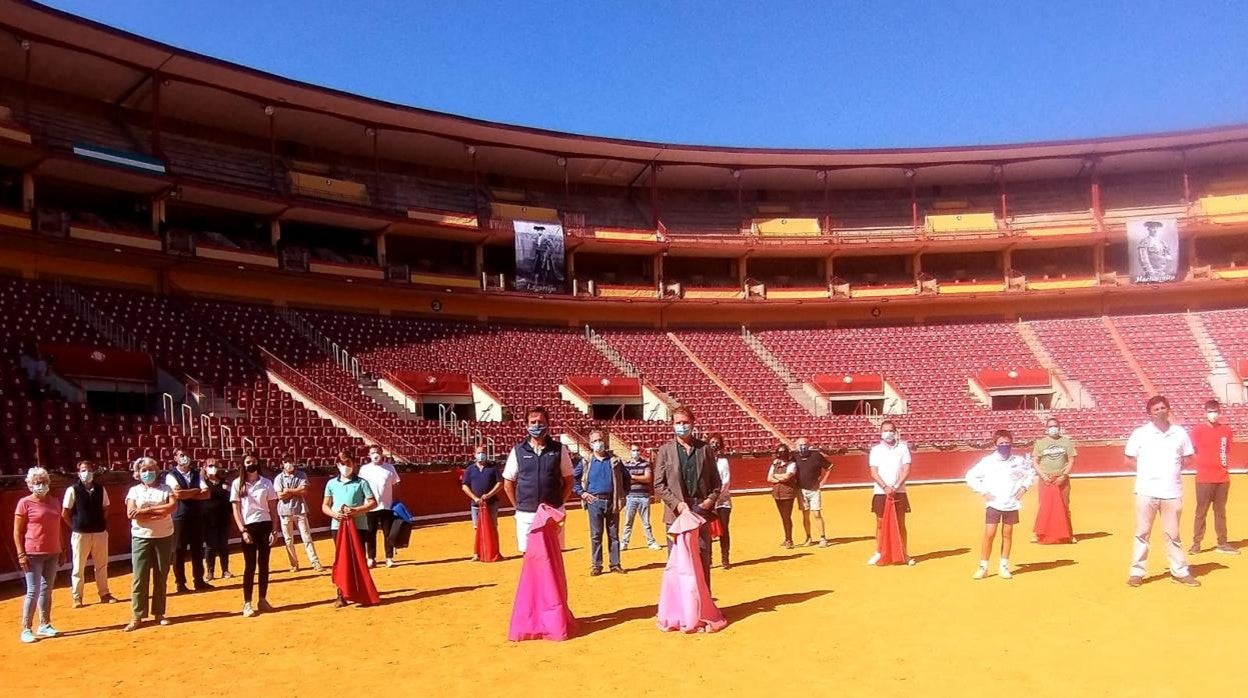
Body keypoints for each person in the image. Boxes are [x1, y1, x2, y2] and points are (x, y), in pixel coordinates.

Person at [1125, 396, 1200, 587]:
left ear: (1169, 409)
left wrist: (1171, 472)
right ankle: (1137, 572)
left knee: (1173, 534)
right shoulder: (1140, 433)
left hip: (1171, 491)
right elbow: (1129, 459)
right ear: (1149, 413)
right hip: (1146, 490)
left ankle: (1180, 571)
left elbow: (1188, 458)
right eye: (1156, 408)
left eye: (1163, 407)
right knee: (1142, 532)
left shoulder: (1179, 433)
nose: (1160, 411)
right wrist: (1147, 474)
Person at [653, 406, 722, 589]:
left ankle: (704, 604)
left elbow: (716, 482)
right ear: (672, 425)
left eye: (685, 422)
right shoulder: (665, 450)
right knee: (677, 561)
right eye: (678, 423)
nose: (682, 426)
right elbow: (659, 484)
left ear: (693, 423)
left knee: (702, 558)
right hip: (676, 513)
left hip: (700, 511)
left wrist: (709, 501)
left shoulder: (705, 449)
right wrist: (677, 504)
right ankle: (681, 608)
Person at [502, 406, 574, 554]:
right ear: (526, 425)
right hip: (526, 514)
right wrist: (519, 506)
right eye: (533, 422)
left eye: (540, 422)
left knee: (553, 555)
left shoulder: (559, 449)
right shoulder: (517, 451)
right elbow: (508, 483)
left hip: (552, 513)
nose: (537, 426)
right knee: (529, 556)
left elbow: (569, 480)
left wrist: (559, 504)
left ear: (547, 424)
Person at [966, 430, 1035, 580]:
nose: (1005, 446)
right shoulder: (988, 461)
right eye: (1001, 443)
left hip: (1011, 502)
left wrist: (1024, 488)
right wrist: (983, 491)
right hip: (994, 502)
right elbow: (970, 476)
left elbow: (1030, 473)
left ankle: (1004, 565)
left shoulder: (1018, 460)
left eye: (1007, 443)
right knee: (989, 534)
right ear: (995, 444)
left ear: (1011, 443)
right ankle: (983, 566)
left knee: (1007, 534)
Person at [124, 457, 177, 632]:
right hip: (141, 536)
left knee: (161, 575)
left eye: (150, 469)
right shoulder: (134, 491)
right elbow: (131, 513)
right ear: (138, 473)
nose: (147, 473)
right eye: (144, 470)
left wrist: (145, 511)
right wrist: (155, 512)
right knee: (139, 576)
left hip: (164, 535)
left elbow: (170, 508)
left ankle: (159, 613)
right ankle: (137, 615)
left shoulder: (165, 488)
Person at [14, 467, 63, 643]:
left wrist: (61, 548)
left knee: (47, 590)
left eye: (42, 482)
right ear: (29, 484)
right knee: (33, 591)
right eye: (36, 482)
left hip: (53, 551)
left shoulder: (54, 501)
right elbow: (17, 532)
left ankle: (45, 624)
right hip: (32, 552)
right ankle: (26, 628)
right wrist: (21, 554)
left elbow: (58, 527)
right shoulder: (24, 503)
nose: (40, 485)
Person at [323, 451, 378, 607]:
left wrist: (356, 511)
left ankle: (361, 592)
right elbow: (325, 506)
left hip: (358, 526)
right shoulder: (331, 483)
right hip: (338, 526)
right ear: (337, 465)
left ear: (353, 464)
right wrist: (334, 514)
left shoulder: (361, 483)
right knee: (341, 559)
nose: (345, 466)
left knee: (358, 559)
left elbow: (372, 503)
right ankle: (341, 594)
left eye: (348, 463)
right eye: (342, 463)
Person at [572, 429, 630, 576]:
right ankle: (597, 565)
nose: (598, 443)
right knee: (596, 535)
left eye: (600, 440)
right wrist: (582, 493)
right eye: (595, 441)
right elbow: (572, 479)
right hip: (594, 501)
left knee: (614, 534)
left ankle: (615, 564)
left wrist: (623, 496)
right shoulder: (586, 462)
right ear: (590, 444)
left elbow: (627, 478)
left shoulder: (615, 460)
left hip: (612, 501)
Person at [61, 459, 116, 607]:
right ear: (78, 473)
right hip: (81, 534)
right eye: (83, 470)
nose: (87, 473)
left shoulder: (100, 489)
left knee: (102, 565)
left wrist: (99, 523)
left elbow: (106, 508)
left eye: (89, 470)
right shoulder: (72, 490)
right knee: (78, 566)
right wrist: (75, 526)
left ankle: (104, 593)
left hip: (99, 532)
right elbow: (65, 512)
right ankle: (77, 597)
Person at [231, 454, 279, 617]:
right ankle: (247, 603)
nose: (251, 464)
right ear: (243, 465)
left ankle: (262, 599)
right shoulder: (237, 484)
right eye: (247, 462)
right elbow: (236, 510)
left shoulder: (266, 483)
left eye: (253, 462)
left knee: (264, 564)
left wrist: (274, 529)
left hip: (265, 525)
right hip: (249, 527)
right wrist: (242, 530)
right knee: (250, 566)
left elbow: (273, 508)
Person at [1189, 399, 1237, 555]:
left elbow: (1226, 450)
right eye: (1210, 411)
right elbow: (1193, 450)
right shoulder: (1197, 431)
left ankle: (1222, 542)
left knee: (1220, 511)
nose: (1213, 414)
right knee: (1201, 512)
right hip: (1204, 478)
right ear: (1205, 412)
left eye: (1215, 411)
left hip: (1222, 478)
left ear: (1220, 412)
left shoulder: (1227, 431)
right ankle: (1196, 544)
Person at [867, 421, 914, 565]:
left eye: (891, 430)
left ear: (895, 432)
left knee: (900, 523)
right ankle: (879, 552)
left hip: (899, 491)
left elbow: (906, 469)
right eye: (885, 430)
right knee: (880, 523)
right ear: (881, 432)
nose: (888, 433)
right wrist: (885, 487)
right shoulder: (875, 450)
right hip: (881, 492)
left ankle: (903, 552)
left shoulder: (903, 448)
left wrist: (895, 486)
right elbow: (873, 472)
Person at [166, 448, 210, 594]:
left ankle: (199, 580)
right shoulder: (171, 475)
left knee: (197, 548)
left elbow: (206, 494)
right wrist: (196, 490)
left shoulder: (197, 473)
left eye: (187, 455)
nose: (185, 458)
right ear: (175, 458)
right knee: (178, 550)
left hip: (196, 516)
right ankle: (180, 583)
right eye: (181, 455)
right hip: (180, 517)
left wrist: (188, 493)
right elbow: (177, 494)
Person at [1031, 417, 1078, 543]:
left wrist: (1064, 476)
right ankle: (1039, 533)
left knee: (1064, 506)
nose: (1053, 428)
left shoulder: (1066, 442)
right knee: (1044, 506)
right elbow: (1035, 461)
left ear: (1059, 427)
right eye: (1050, 426)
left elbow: (1071, 460)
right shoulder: (1040, 443)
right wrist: (1044, 476)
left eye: (1055, 426)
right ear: (1046, 429)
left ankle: (1069, 533)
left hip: (1062, 478)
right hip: (1045, 479)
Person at [275, 454, 323, 573]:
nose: (289, 464)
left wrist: (288, 491)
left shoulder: (301, 475)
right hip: (285, 512)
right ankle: (294, 563)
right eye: (286, 462)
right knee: (288, 539)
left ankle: (315, 562)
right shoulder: (279, 478)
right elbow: (280, 495)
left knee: (306, 537)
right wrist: (296, 491)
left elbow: (304, 491)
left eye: (290, 461)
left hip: (299, 510)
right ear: (282, 463)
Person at [359, 445, 401, 568]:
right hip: (370, 506)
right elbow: (361, 486)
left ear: (382, 453)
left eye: (377, 452)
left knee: (388, 533)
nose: (375, 455)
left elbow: (396, 484)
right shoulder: (364, 469)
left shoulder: (390, 468)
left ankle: (389, 558)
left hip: (386, 505)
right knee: (370, 533)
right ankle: (371, 558)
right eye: (372, 453)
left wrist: (396, 502)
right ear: (369, 455)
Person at [461, 445, 503, 560]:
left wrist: (489, 495)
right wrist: (474, 498)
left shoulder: (493, 468)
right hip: (475, 504)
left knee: (493, 527)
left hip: (492, 503)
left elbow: (500, 483)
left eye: (483, 452)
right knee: (477, 528)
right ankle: (477, 553)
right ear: (475, 454)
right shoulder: (470, 469)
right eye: (479, 452)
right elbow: (464, 486)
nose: (481, 455)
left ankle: (496, 552)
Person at [621, 443, 662, 551]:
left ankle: (651, 542)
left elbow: (648, 478)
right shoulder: (626, 465)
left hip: (644, 496)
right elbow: (625, 480)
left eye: (638, 450)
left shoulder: (646, 464)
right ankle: (624, 542)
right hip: (630, 496)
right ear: (630, 451)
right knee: (628, 522)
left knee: (646, 522)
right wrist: (640, 477)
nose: (636, 452)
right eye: (634, 450)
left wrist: (633, 477)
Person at [792, 437, 832, 547]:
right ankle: (808, 537)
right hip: (801, 489)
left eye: (804, 444)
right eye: (799, 444)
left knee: (816, 513)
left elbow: (829, 467)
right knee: (805, 515)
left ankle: (822, 538)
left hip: (814, 489)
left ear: (809, 445)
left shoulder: (816, 456)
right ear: (796, 446)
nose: (802, 446)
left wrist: (824, 480)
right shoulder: (794, 457)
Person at [201, 458, 233, 581]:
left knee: (223, 545)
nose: (212, 467)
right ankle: (210, 571)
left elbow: (231, 498)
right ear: (205, 467)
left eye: (214, 465)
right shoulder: (203, 483)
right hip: (208, 519)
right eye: (210, 465)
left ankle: (225, 570)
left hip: (223, 517)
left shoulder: (224, 483)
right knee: (210, 546)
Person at [768, 445, 799, 548]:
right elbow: (769, 478)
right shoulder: (775, 465)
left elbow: (787, 477)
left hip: (788, 493)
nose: (782, 454)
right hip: (777, 494)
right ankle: (787, 539)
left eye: (783, 452)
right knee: (783, 517)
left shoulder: (792, 464)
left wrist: (776, 477)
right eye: (780, 452)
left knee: (786, 517)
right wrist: (780, 478)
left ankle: (789, 540)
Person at [709, 434, 732, 570]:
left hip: (723, 501)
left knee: (724, 530)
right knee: (708, 531)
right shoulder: (705, 461)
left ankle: (725, 558)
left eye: (716, 442)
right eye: (711, 442)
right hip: (709, 501)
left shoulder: (723, 462)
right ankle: (709, 559)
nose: (714, 445)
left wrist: (716, 496)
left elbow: (726, 481)